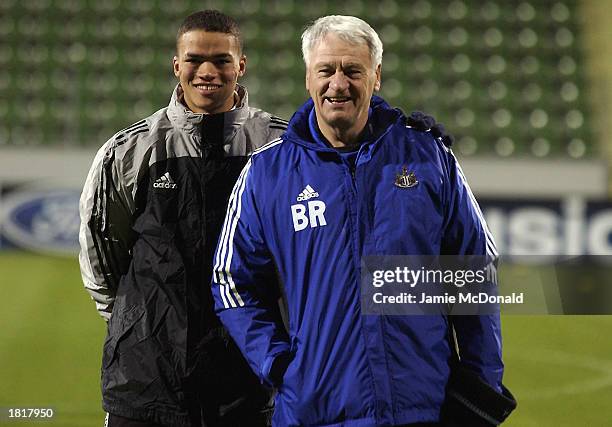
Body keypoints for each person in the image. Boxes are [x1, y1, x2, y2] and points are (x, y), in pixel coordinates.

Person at [212, 15, 510, 426]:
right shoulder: (267, 173)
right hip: (315, 413)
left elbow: (474, 272)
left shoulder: (427, 158)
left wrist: (482, 390)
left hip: (422, 411)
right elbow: (231, 281)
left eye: (353, 70)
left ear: (377, 77)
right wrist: (278, 364)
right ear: (308, 78)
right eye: (326, 70)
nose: (339, 84)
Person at [78, 10, 287, 427]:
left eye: (221, 60)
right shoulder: (128, 151)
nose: (207, 71)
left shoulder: (280, 148)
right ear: (177, 65)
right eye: (194, 59)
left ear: (241, 65)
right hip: (146, 382)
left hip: (248, 385)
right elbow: (101, 254)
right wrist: (141, 320)